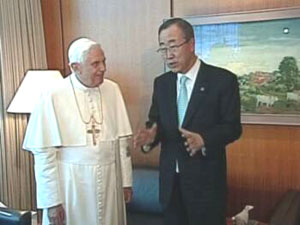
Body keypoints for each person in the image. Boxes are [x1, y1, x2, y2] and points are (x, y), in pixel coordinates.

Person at [134, 18, 242, 225]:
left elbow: (233, 128)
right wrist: (151, 136)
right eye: (163, 49)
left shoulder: (222, 80)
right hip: (171, 184)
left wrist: (204, 139)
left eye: (173, 46)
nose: (168, 55)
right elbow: (155, 122)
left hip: (206, 185)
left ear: (191, 44)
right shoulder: (162, 84)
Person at [23, 37, 133, 225]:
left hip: (110, 183)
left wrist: (126, 183)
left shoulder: (112, 89)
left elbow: (123, 144)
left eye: (104, 61)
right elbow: (44, 155)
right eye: (95, 64)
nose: (103, 68)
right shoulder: (52, 95)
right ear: (75, 67)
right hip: (71, 185)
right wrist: (52, 203)